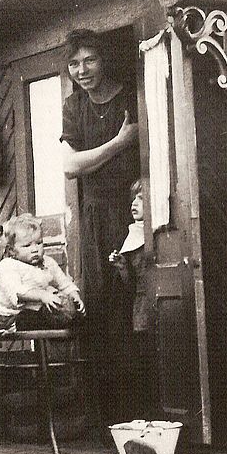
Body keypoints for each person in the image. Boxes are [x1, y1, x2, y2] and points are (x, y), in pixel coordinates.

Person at [59, 28, 140, 428]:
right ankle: (109, 419)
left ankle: (140, 412)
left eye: (89, 60)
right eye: (74, 63)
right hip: (95, 219)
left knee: (134, 307)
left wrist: (94, 158)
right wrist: (120, 143)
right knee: (102, 310)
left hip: (134, 213)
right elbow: (70, 166)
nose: (82, 70)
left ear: (104, 59)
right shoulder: (74, 106)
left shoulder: (131, 95)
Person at [108, 179, 156, 422]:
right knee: (143, 362)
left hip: (159, 304)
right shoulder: (132, 234)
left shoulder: (156, 232)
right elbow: (132, 285)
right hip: (141, 310)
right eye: (133, 199)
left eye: (141, 199)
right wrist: (121, 267)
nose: (134, 204)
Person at [0, 214, 85, 332]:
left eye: (39, 243)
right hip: (12, 317)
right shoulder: (8, 266)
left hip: (39, 311)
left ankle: (69, 321)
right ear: (12, 250)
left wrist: (74, 296)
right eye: (27, 245)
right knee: (32, 317)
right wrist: (43, 295)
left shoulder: (47, 262)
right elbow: (18, 292)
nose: (35, 249)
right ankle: (61, 321)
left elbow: (64, 283)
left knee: (78, 316)